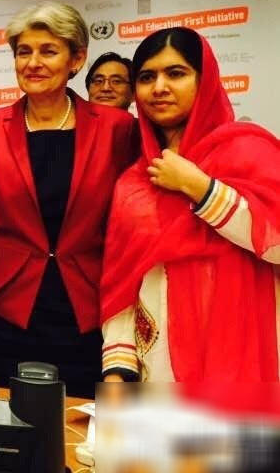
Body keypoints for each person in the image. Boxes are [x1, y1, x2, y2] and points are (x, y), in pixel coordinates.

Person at [0, 1, 136, 398]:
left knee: (84, 436)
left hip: (89, 313)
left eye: (48, 51)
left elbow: (131, 228)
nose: (33, 62)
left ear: (77, 59)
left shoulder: (117, 129)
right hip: (5, 312)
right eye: (24, 52)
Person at [101, 27, 279, 382]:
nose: (159, 87)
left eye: (176, 73)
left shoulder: (249, 150)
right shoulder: (135, 183)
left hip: (247, 366)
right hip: (160, 370)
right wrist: (116, 372)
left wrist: (198, 186)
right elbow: (122, 287)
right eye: (147, 77)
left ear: (205, 80)